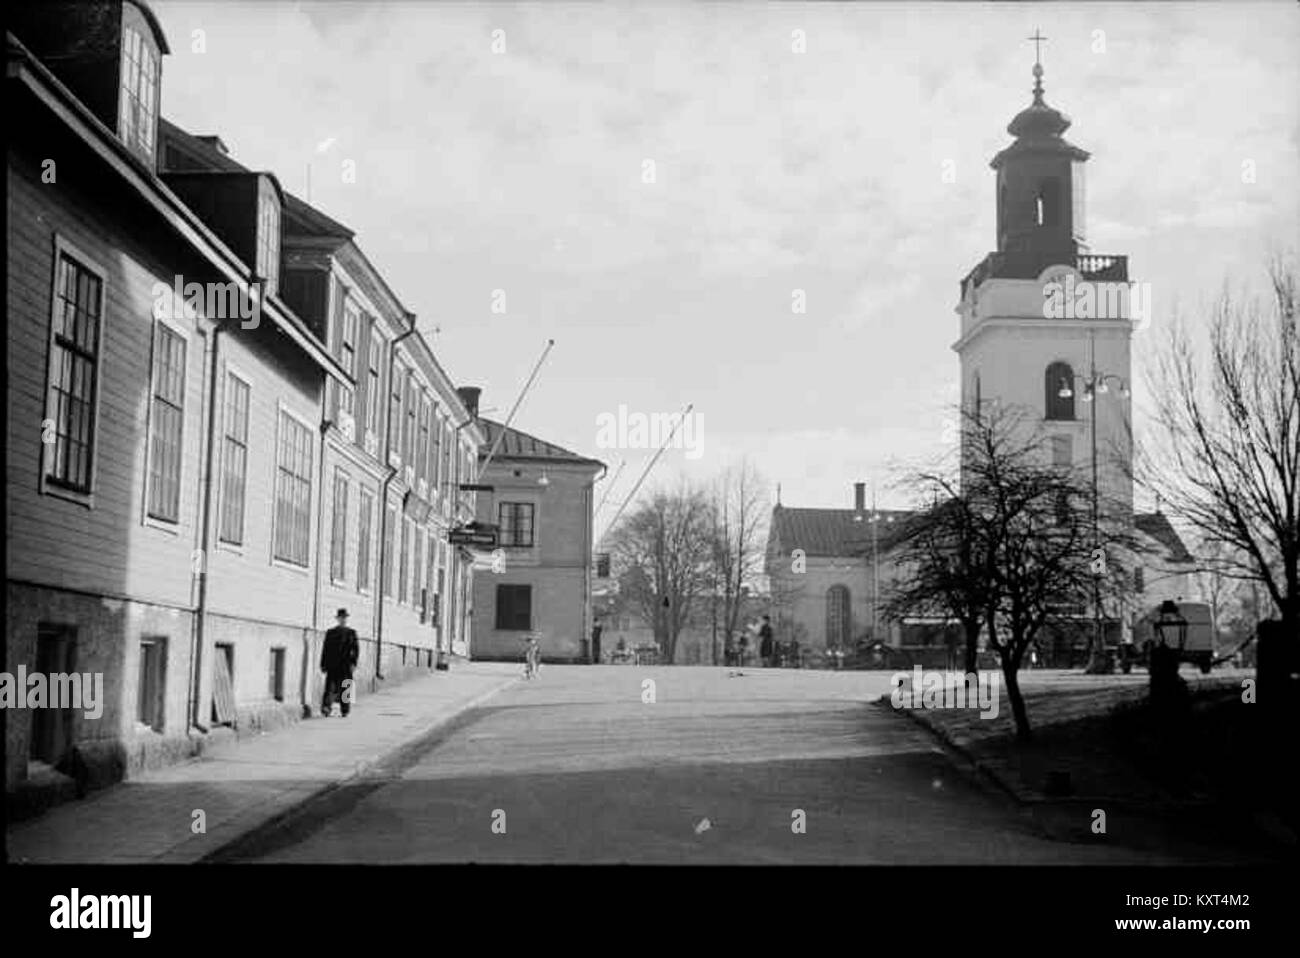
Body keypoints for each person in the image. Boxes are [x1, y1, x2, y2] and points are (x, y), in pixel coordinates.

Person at [321, 608, 359, 717]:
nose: (343, 620)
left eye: (344, 618)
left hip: (346, 664)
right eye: (341, 618)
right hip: (333, 664)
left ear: (346, 619)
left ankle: (345, 709)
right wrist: (323, 664)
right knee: (329, 687)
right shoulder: (331, 633)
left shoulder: (351, 633)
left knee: (346, 686)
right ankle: (326, 707)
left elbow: (356, 650)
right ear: (337, 619)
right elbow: (325, 649)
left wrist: (354, 663)